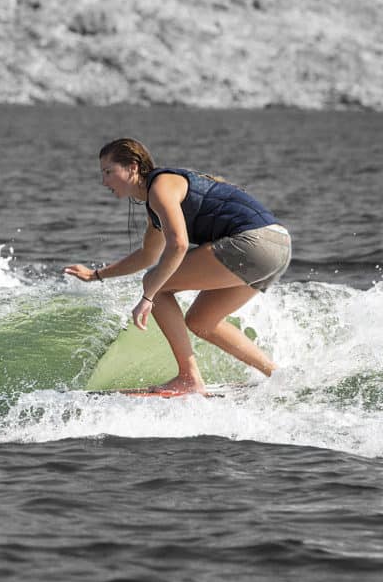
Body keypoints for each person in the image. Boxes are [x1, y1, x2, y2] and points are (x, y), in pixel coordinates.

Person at [64, 138, 291, 394]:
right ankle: (276, 375)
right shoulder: (158, 205)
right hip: (278, 247)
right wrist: (95, 275)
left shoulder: (161, 186)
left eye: (108, 172)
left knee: (156, 285)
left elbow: (179, 244)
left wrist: (148, 296)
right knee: (202, 321)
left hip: (253, 242)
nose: (104, 181)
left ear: (133, 167)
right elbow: (147, 255)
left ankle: (189, 378)